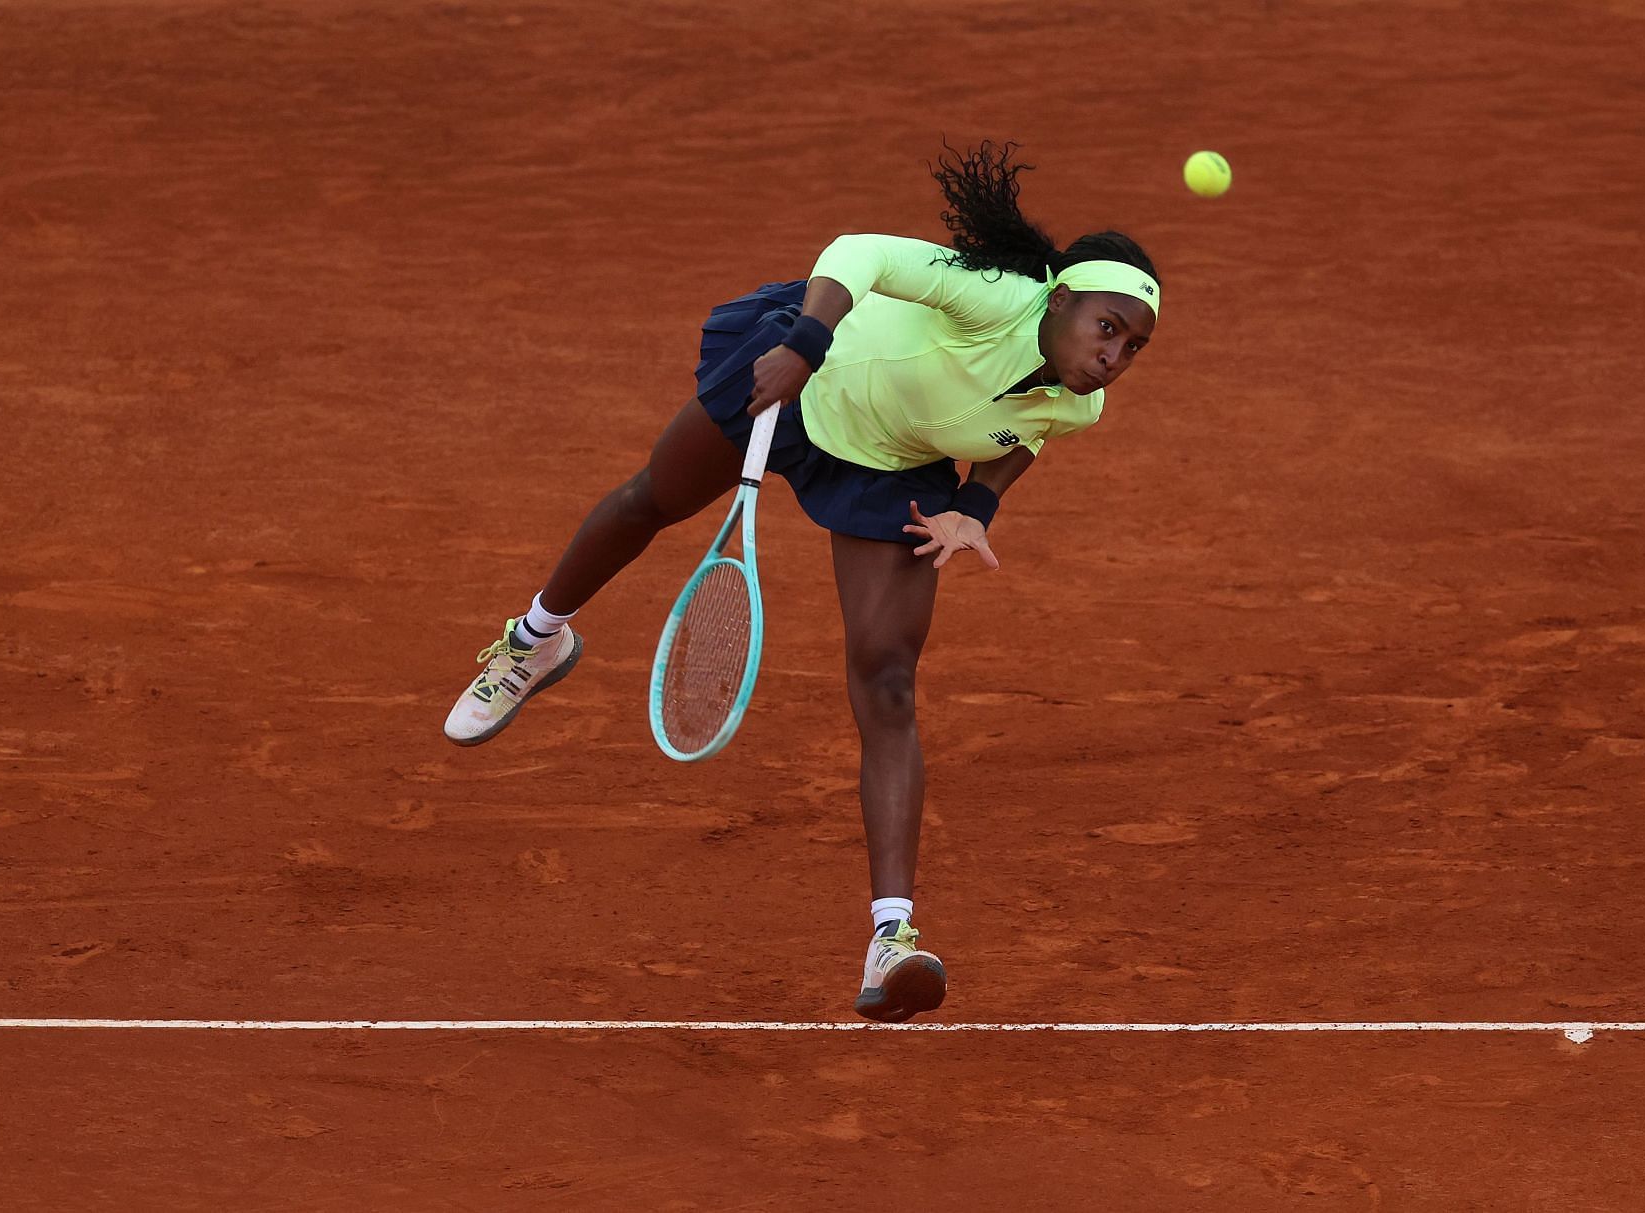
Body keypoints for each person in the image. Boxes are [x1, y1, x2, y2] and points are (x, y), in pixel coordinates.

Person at [442, 141, 1161, 1022]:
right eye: (1107, 327)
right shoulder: (997, 295)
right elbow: (859, 251)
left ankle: (889, 937)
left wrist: (977, 505)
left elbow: (1025, 435)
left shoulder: (1080, 402)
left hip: (891, 468)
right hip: (800, 374)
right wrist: (808, 343)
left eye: (1133, 344)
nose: (1115, 354)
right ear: (1060, 299)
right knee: (647, 502)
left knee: (888, 680)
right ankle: (535, 640)